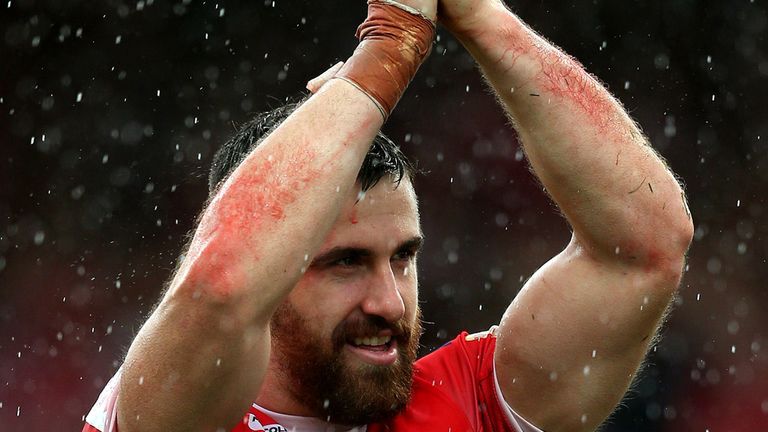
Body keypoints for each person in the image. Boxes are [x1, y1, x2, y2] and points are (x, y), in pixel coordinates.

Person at [83, 0, 694, 431]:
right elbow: (223, 284)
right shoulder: (167, 411)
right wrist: (388, 53)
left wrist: (480, 17)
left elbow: (645, 247)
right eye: (345, 262)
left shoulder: (474, 404)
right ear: (274, 273)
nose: (390, 303)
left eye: (403, 257)